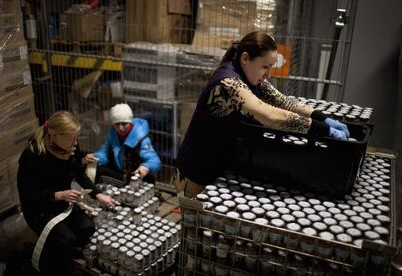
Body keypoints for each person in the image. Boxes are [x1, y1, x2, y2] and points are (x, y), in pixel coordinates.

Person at [174, 31, 350, 198]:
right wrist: (323, 130)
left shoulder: (252, 77)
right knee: (196, 228)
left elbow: (283, 102)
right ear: (245, 59)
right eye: (265, 66)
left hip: (221, 166)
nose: (269, 74)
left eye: (271, 67)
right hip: (195, 173)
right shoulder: (228, 83)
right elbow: (271, 116)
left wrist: (322, 118)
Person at [17, 111, 116, 275]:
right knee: (66, 240)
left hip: (62, 204)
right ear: (54, 135)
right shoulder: (33, 156)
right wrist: (58, 195)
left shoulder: (70, 148)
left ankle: (64, 253)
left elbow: (79, 172)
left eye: (76, 137)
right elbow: (28, 195)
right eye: (72, 138)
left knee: (87, 228)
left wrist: (97, 194)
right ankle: (44, 266)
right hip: (39, 208)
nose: (76, 143)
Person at [86, 103, 161, 185]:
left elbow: (155, 161)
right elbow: (104, 154)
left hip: (137, 177)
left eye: (124, 124)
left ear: (131, 122)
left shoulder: (142, 139)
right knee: (96, 170)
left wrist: (146, 167)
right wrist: (96, 158)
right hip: (121, 174)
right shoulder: (112, 135)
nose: (120, 128)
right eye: (117, 124)